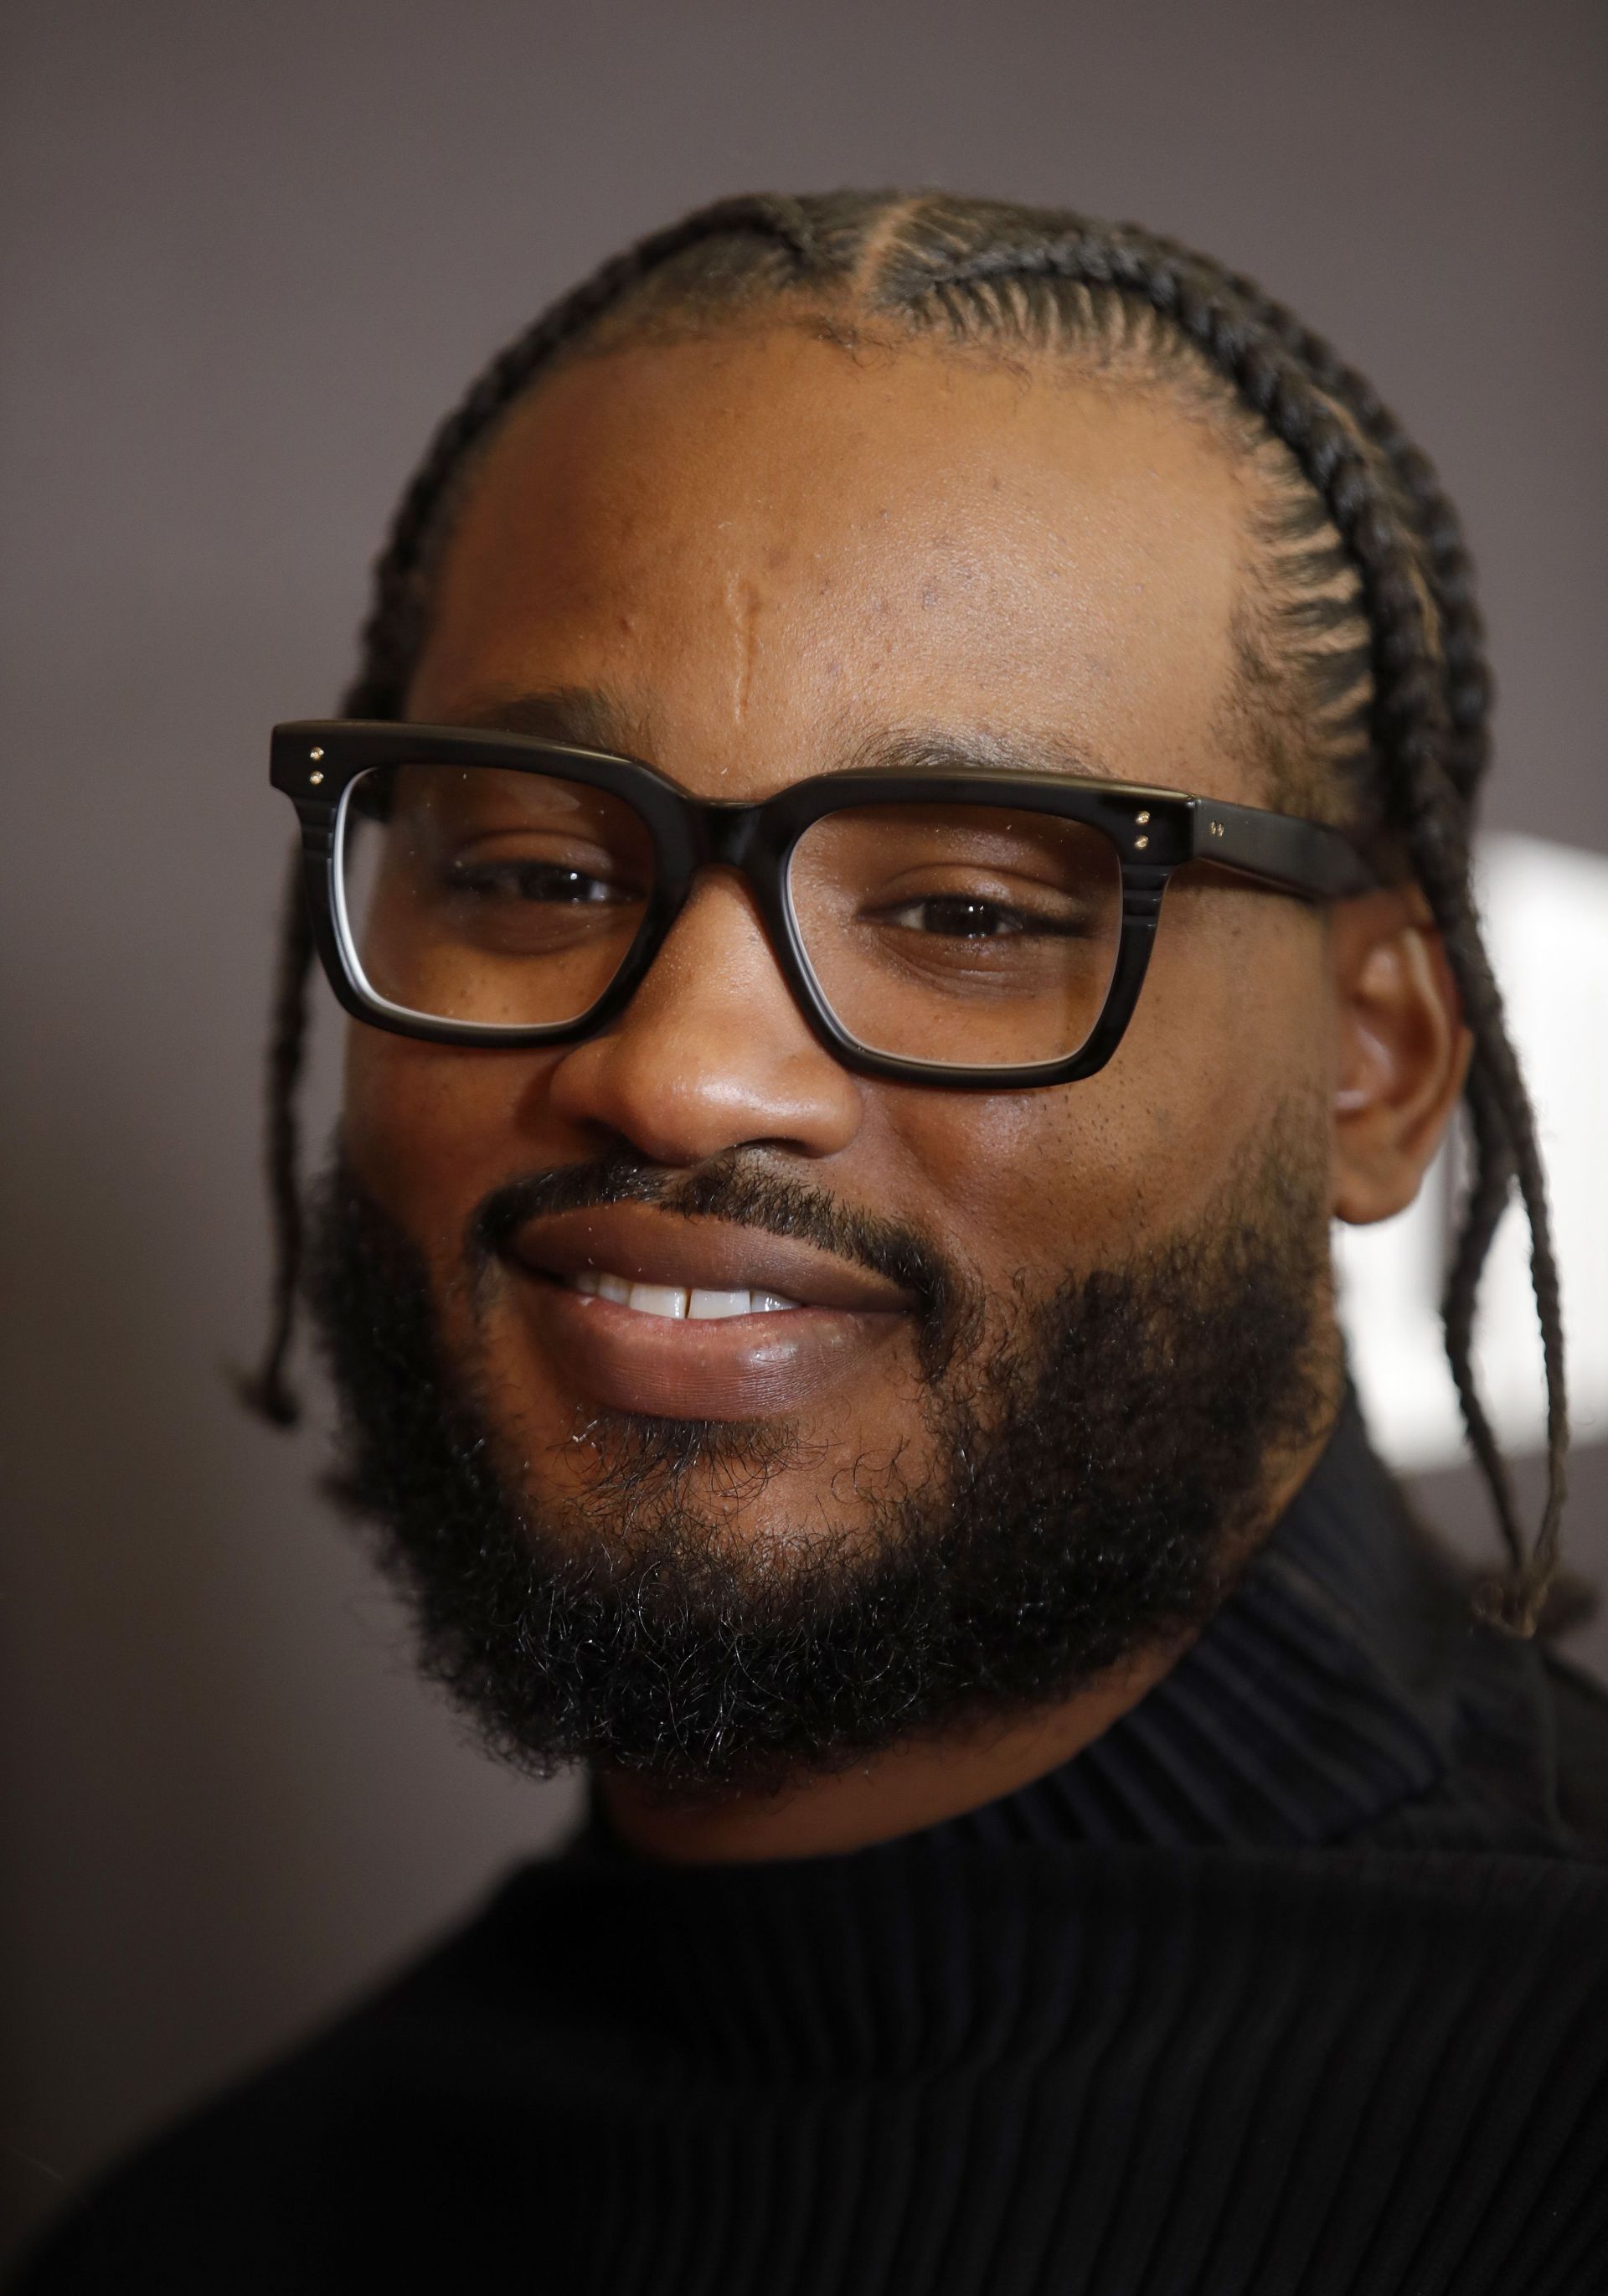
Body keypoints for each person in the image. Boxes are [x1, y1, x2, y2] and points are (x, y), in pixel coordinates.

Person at [15, 190, 1608, 2296]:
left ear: (1377, 1073)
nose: (676, 1077)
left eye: (965, 913)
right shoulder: (210, 2251)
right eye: (531, 874)